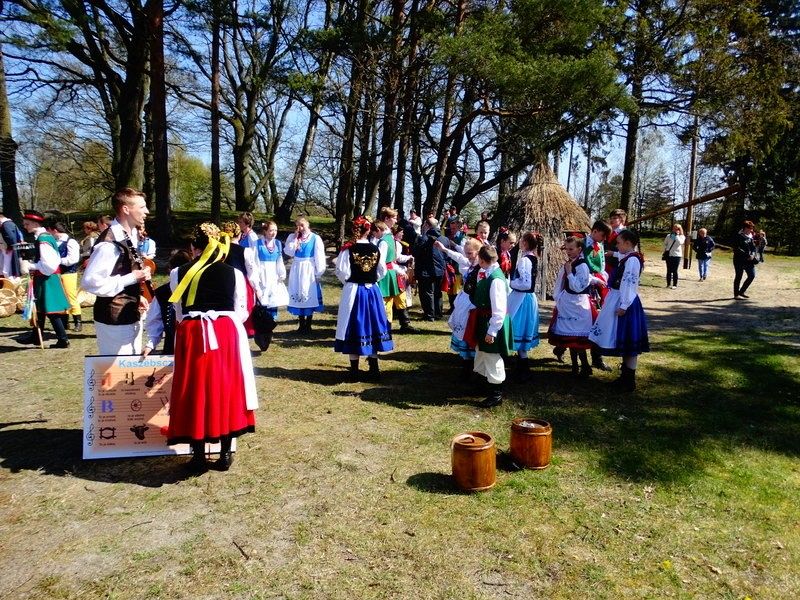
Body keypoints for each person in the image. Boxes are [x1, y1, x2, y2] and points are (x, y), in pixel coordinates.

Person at [165, 222, 257, 473]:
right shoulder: (234, 273)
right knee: (226, 385)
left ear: (193, 247)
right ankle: (225, 451)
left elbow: (179, 311)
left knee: (193, 387)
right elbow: (241, 310)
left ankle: (197, 454)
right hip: (225, 331)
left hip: (193, 332)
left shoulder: (178, 273)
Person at [81, 188, 152, 355]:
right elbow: (90, 282)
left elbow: (120, 272)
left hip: (129, 313)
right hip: (114, 321)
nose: (147, 211)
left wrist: (136, 296)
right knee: (118, 369)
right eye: (142, 207)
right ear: (126, 209)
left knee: (130, 366)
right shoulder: (109, 244)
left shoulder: (128, 235)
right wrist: (132, 277)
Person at [334, 216, 394, 382]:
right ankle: (374, 368)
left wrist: (350, 282)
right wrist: (371, 279)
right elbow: (382, 271)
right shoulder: (375, 249)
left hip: (354, 291)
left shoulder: (348, 249)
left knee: (354, 325)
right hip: (372, 291)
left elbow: (342, 271)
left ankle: (354, 371)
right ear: (369, 230)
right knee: (373, 325)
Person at [589, 229, 649, 392]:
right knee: (625, 342)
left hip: (625, 302)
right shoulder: (629, 257)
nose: (617, 246)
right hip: (619, 298)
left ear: (628, 243)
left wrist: (624, 305)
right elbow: (621, 256)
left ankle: (628, 381)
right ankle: (625, 378)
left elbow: (629, 283)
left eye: (619, 243)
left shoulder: (633, 260)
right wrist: (614, 254)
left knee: (629, 342)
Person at [463, 246, 513, 408]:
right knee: (481, 351)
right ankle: (482, 383)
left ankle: (496, 393)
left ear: (483, 260)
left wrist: (492, 331)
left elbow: (499, 309)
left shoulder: (496, 280)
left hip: (491, 322)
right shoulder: (486, 272)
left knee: (492, 355)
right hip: (483, 319)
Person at [548, 236, 605, 378]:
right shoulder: (571, 263)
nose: (568, 252)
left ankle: (584, 365)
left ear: (579, 249)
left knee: (578, 336)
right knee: (570, 336)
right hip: (568, 302)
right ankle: (575, 365)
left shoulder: (582, 265)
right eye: (567, 249)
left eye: (571, 249)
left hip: (578, 303)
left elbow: (579, 286)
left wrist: (569, 273)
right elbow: (584, 278)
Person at [18, 211, 71, 348]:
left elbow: (49, 265)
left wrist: (31, 266)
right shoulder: (42, 237)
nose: (25, 226)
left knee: (50, 309)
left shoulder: (43, 239)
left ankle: (63, 339)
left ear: (35, 223)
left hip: (47, 278)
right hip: (43, 277)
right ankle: (36, 336)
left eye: (27, 224)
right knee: (40, 308)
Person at [434, 237, 482, 376]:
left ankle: (473, 363)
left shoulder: (481, 267)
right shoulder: (470, 263)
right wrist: (444, 249)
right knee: (463, 327)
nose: (468, 256)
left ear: (478, 252)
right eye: (467, 253)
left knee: (471, 329)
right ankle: (466, 362)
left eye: (470, 253)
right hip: (465, 301)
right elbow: (459, 257)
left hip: (473, 303)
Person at [143, 250, 192, 356]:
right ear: (170, 271)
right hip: (171, 350)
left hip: (195, 348)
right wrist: (150, 344)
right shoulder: (162, 293)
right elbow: (155, 321)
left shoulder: (200, 290)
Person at [508, 232, 541, 382]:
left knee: (518, 329)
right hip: (526, 298)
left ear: (526, 243)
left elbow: (526, 284)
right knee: (520, 331)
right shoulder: (532, 258)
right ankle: (522, 367)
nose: (519, 242)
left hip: (522, 299)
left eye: (521, 240)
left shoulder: (525, 260)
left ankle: (523, 369)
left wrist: (511, 283)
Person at [377, 207, 416, 333]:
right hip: (385, 275)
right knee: (386, 302)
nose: (396, 220)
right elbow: (381, 261)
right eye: (394, 218)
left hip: (392, 272)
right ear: (386, 219)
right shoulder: (383, 240)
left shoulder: (389, 238)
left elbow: (393, 259)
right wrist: (379, 277)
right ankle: (384, 329)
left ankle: (401, 325)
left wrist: (400, 270)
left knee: (397, 299)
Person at [284, 217, 326, 332]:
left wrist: (318, 273)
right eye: (298, 226)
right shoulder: (293, 237)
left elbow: (319, 256)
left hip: (309, 269)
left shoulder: (315, 238)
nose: (300, 228)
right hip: (297, 268)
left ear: (307, 224)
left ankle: (309, 323)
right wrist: (294, 239)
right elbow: (288, 252)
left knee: (308, 292)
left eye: (302, 225)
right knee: (298, 291)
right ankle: (301, 323)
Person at [253, 220, 289, 323]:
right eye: (271, 230)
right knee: (263, 297)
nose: (274, 233)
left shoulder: (277, 243)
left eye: (275, 230)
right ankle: (262, 320)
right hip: (262, 273)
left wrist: (281, 274)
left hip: (273, 274)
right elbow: (254, 260)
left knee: (273, 298)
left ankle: (272, 320)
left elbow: (279, 259)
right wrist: (256, 276)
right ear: (265, 231)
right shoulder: (257, 243)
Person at [50, 222, 82, 331]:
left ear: (55, 230)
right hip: (57, 273)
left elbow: (73, 259)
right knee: (61, 298)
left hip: (69, 273)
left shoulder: (71, 242)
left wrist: (57, 260)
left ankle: (78, 322)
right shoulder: (55, 242)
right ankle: (65, 322)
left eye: (50, 231)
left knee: (71, 297)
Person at [412, 217, 446, 321]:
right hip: (440, 270)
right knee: (437, 292)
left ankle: (429, 315)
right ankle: (438, 313)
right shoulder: (444, 239)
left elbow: (415, 253)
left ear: (427, 225)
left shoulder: (423, 238)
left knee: (427, 293)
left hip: (425, 270)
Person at [733, 220, 758, 299]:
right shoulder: (738, 236)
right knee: (738, 276)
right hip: (739, 260)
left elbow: (753, 248)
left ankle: (741, 292)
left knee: (752, 275)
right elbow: (737, 249)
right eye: (750, 228)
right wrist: (747, 255)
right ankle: (736, 294)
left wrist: (753, 254)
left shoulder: (750, 236)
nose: (751, 230)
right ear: (745, 228)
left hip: (749, 260)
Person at [604, 208, 627, 277]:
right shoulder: (609, 232)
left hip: (618, 268)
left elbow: (628, 254)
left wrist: (613, 253)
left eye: (614, 218)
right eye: (610, 218)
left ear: (621, 219)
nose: (611, 220)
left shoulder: (625, 233)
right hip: (606, 266)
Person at [0, 212, 24, 279]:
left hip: (9, 250)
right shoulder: (11, 223)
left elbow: (11, 238)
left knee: (7, 270)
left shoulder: (6, 224)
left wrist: (9, 247)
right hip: (11, 249)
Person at [662, 223, 685, 289]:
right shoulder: (669, 236)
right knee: (668, 270)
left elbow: (680, 242)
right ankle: (668, 284)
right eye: (675, 228)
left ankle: (675, 284)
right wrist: (666, 250)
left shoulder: (682, 236)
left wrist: (677, 235)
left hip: (677, 255)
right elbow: (665, 243)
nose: (676, 230)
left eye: (678, 229)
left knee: (675, 270)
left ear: (680, 229)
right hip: (669, 255)